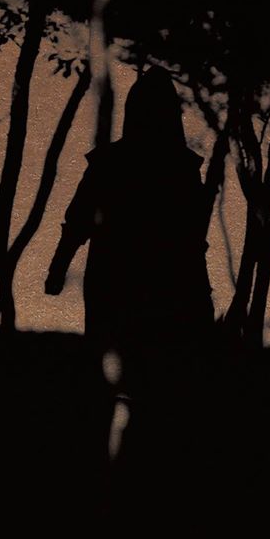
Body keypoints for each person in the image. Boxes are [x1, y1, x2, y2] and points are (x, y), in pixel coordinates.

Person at [45, 67, 216, 457]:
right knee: (144, 386)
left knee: (127, 386)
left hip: (125, 288)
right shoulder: (180, 169)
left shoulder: (116, 163)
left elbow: (77, 222)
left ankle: (120, 461)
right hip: (152, 291)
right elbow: (193, 242)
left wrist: (58, 268)